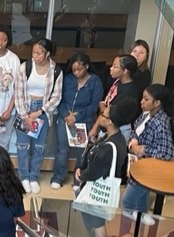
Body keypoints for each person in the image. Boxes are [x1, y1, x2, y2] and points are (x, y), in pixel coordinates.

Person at [75, 97, 137, 237]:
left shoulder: (109, 147)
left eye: (103, 114)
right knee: (97, 226)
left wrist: (82, 175)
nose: (100, 116)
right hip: (100, 194)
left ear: (109, 121)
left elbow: (94, 171)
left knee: (98, 230)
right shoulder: (115, 138)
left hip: (96, 194)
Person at [14, 38, 63, 195]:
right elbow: (18, 93)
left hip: (43, 111)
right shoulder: (25, 67)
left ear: (47, 53)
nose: (34, 56)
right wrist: (25, 116)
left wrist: (40, 111)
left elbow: (56, 96)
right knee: (22, 146)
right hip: (25, 109)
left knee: (39, 147)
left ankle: (34, 177)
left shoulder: (55, 70)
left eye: (39, 53)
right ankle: (24, 177)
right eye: (33, 52)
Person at [121, 84, 174, 224]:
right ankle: (142, 219)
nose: (141, 102)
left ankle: (126, 227)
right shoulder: (146, 114)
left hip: (147, 168)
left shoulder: (160, 124)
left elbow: (167, 153)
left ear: (157, 103)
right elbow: (136, 130)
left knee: (127, 201)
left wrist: (143, 149)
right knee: (141, 198)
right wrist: (133, 141)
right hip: (137, 163)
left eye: (146, 99)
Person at [51, 53, 103, 190]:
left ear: (86, 66)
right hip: (65, 119)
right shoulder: (68, 79)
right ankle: (58, 177)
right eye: (74, 70)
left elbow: (94, 105)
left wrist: (77, 116)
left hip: (84, 121)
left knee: (82, 151)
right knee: (62, 150)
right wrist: (67, 115)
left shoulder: (95, 82)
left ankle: (78, 179)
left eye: (79, 69)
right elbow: (59, 98)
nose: (76, 72)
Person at [89, 54, 141, 142]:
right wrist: (95, 127)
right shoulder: (117, 81)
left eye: (115, 66)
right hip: (105, 126)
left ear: (125, 71)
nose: (111, 68)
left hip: (118, 131)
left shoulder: (129, 91)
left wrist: (102, 107)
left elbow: (111, 113)